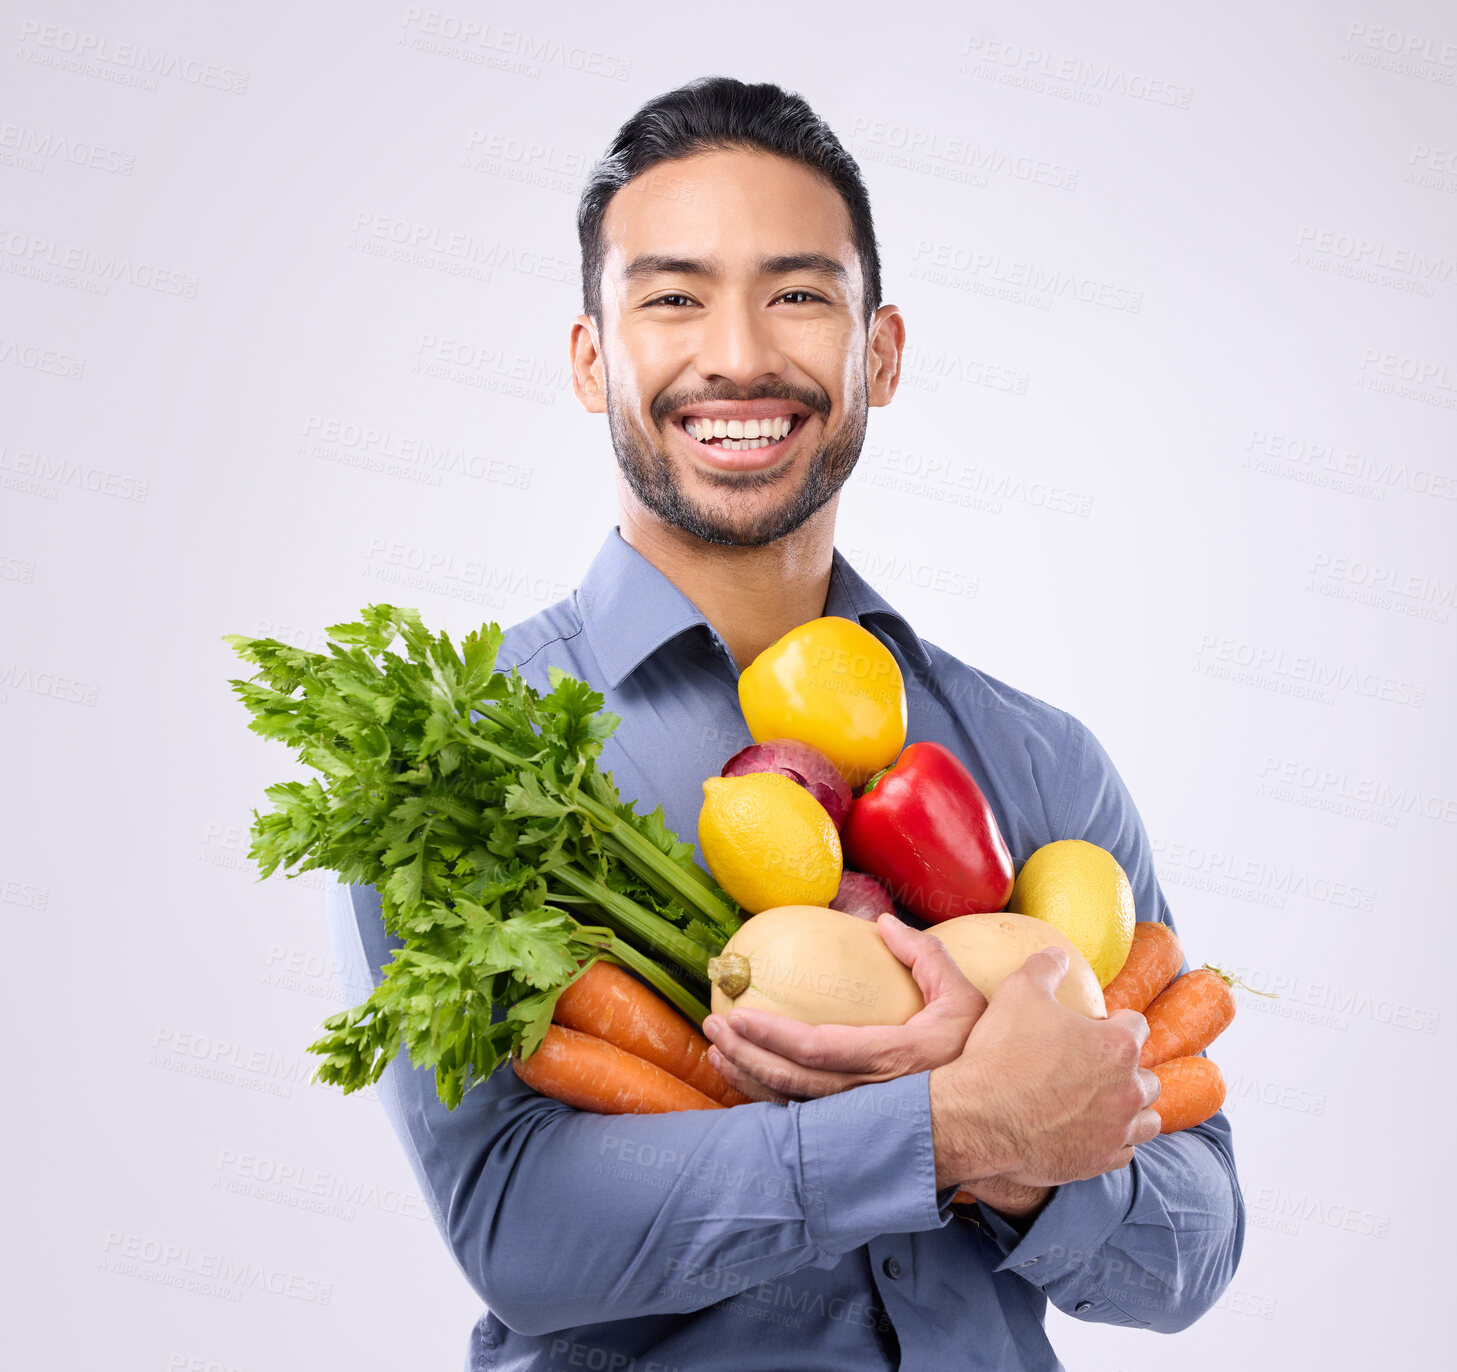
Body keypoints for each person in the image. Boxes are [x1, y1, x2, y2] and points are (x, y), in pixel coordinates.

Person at [328, 76, 1244, 1371]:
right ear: (592, 360)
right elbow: (521, 1235)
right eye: (671, 296)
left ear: (880, 350)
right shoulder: (463, 749)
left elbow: (1192, 1247)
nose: (740, 352)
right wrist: (946, 1123)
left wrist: (1041, 1161)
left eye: (799, 293)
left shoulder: (1039, 762)